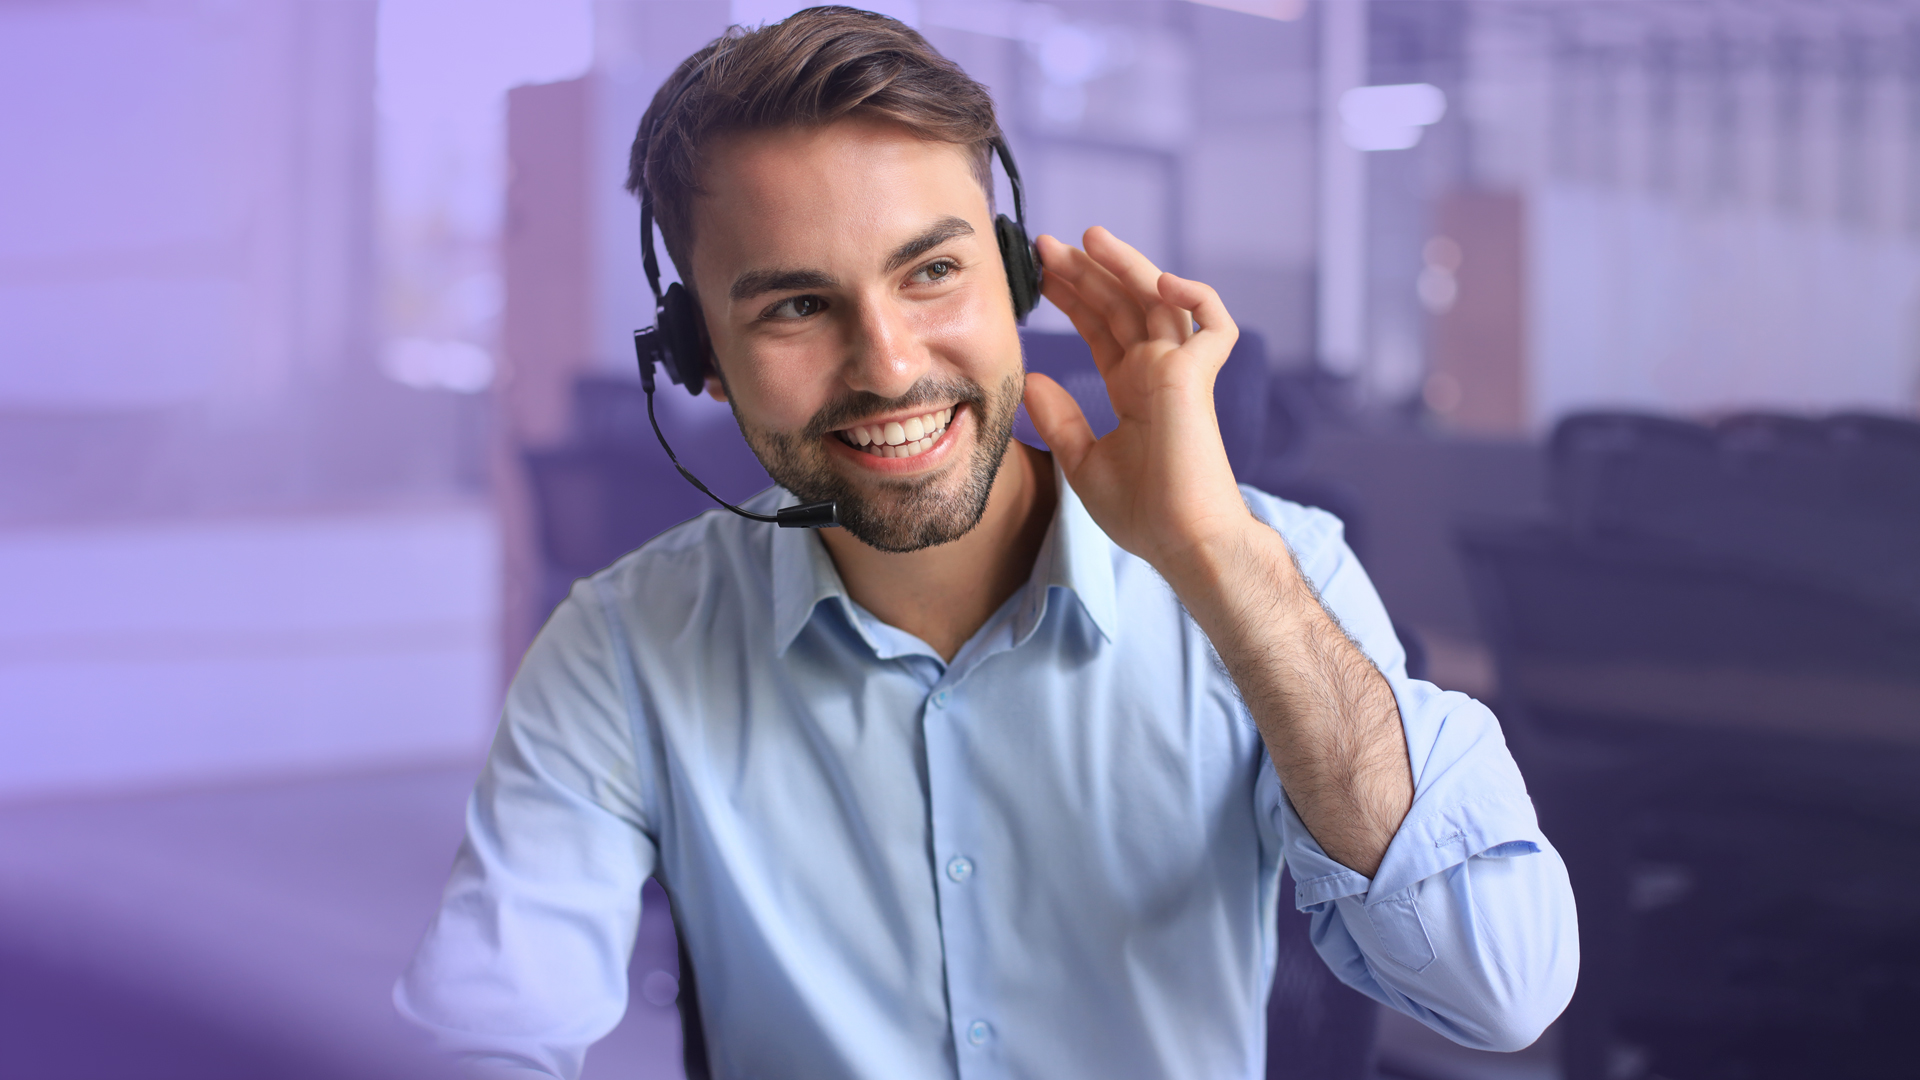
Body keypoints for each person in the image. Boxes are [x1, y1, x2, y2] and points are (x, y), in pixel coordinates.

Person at [396, 8, 1578, 1078]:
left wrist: (1220, 560)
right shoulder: (620, 647)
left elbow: (1499, 992)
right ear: (699, 354)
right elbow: (486, 1030)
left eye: (933, 272)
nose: (892, 365)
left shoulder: (1277, 568)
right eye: (797, 305)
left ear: (1017, 277)